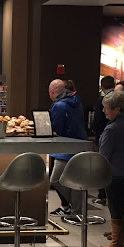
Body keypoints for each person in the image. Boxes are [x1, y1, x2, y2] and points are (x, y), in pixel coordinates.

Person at [98, 90, 124, 247]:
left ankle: (116, 244)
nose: (103, 111)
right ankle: (122, 239)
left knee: (115, 207)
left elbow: (103, 156)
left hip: (115, 173)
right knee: (122, 205)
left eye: (106, 108)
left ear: (117, 109)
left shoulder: (112, 129)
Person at [48, 78, 88, 217]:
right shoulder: (76, 102)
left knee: (56, 179)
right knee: (75, 181)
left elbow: (56, 129)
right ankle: (76, 210)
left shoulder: (59, 106)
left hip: (65, 149)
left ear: (52, 92)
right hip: (80, 146)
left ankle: (75, 208)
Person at [91, 75, 115, 205]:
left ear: (102, 86)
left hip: (103, 136)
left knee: (102, 165)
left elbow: (97, 121)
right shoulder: (120, 100)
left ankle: (102, 195)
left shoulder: (103, 101)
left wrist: (95, 131)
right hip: (116, 141)